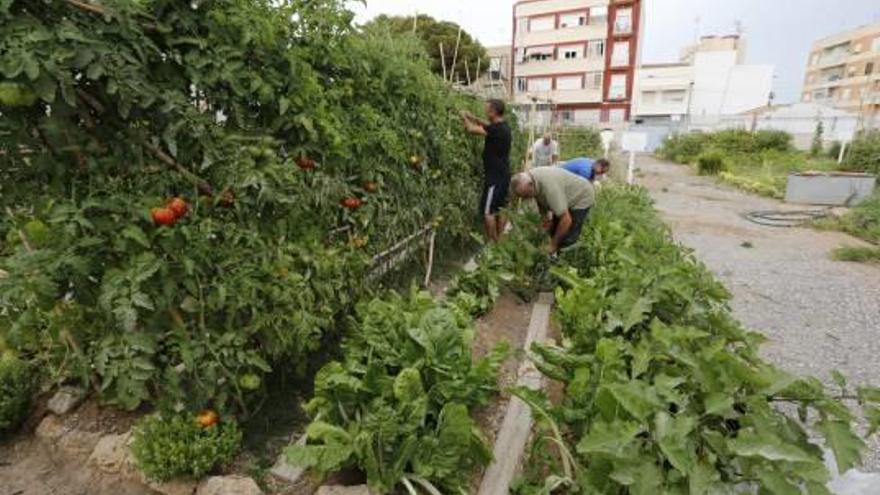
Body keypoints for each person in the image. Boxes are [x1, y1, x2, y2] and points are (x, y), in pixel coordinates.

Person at [510, 167, 595, 254]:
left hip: (581, 196)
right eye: (523, 196)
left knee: (568, 237)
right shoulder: (531, 180)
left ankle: (565, 262)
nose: (526, 198)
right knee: (555, 230)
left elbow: (566, 220)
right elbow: (542, 204)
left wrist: (553, 245)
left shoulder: (550, 188)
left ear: (531, 185)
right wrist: (544, 225)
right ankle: (553, 255)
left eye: (526, 195)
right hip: (564, 196)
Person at [461, 99, 512, 243]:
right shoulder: (504, 126)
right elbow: (488, 125)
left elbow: (471, 130)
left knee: (488, 211)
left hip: (494, 178)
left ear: (494, 111)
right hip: (504, 174)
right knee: (501, 208)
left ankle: (493, 243)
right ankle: (501, 241)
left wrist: (464, 117)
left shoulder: (495, 130)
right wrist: (473, 117)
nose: (485, 111)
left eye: (487, 109)